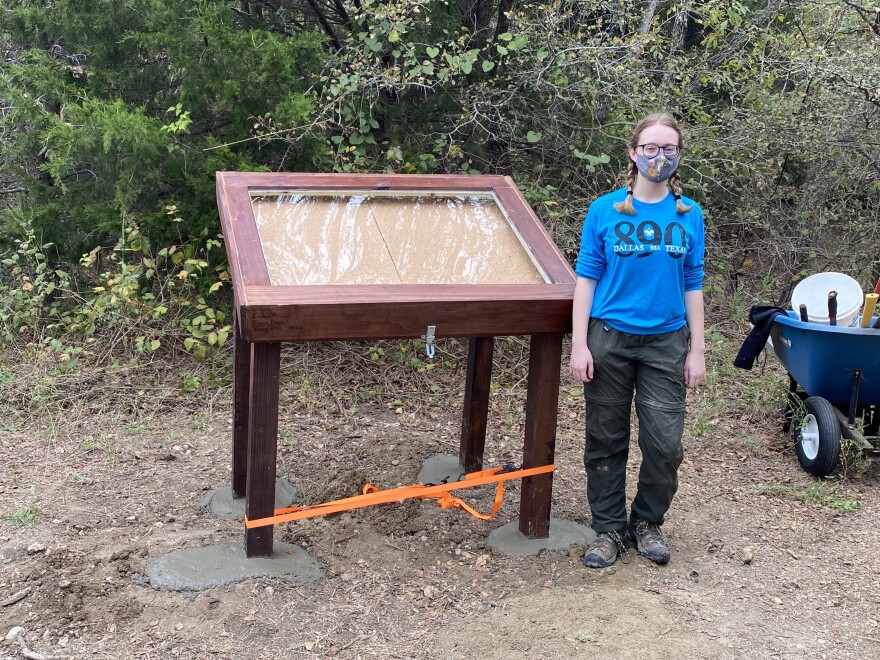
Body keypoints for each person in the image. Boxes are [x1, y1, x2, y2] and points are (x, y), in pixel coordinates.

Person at [569, 113, 706, 568]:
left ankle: (647, 522)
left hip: (667, 343)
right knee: (605, 439)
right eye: (650, 148)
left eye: (669, 149)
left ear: (678, 155)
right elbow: (586, 279)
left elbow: (693, 281)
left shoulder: (689, 214)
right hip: (608, 338)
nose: (659, 156)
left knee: (665, 445)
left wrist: (697, 350)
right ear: (633, 152)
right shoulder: (604, 210)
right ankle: (608, 530)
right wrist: (579, 344)